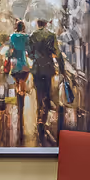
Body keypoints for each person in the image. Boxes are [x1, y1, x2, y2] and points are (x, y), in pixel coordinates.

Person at [27, 17, 65, 145]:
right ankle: (43, 119)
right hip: (48, 69)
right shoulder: (51, 35)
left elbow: (30, 53)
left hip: (37, 69)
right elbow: (58, 54)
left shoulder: (32, 36)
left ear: (37, 23)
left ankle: (40, 121)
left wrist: (37, 56)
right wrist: (62, 68)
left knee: (39, 95)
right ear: (46, 23)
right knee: (47, 96)